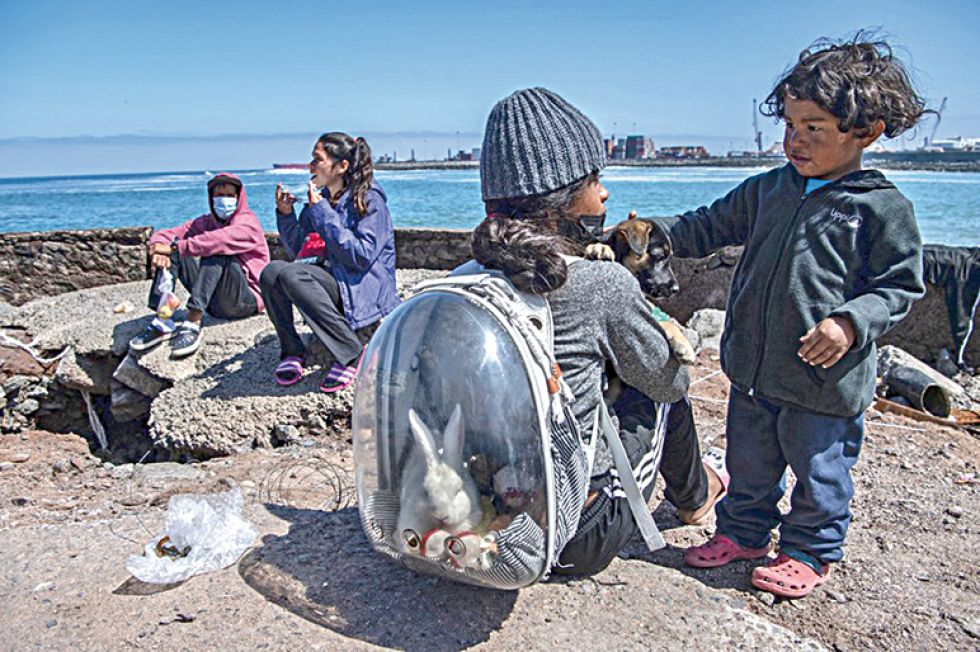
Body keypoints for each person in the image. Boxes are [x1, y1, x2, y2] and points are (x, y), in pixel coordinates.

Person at [671, 36, 928, 598]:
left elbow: (900, 286)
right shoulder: (768, 190)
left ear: (868, 130)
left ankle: (810, 551)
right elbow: (705, 226)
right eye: (790, 125)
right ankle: (742, 533)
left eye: (815, 128)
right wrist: (648, 237)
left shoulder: (880, 209)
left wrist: (850, 323)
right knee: (749, 461)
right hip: (754, 372)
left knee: (821, 473)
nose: (795, 140)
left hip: (824, 384)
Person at [471, 87, 725, 575]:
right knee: (661, 386)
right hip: (570, 540)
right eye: (594, 179)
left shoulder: (468, 276)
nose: (604, 193)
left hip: (476, 520)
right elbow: (672, 383)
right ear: (565, 199)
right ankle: (698, 497)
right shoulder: (598, 282)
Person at [261, 132, 399, 392]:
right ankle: (292, 350)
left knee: (293, 276)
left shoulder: (370, 201)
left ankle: (351, 352)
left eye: (317, 160)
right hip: (332, 280)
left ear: (342, 167)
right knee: (272, 272)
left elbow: (360, 256)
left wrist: (323, 212)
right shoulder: (322, 200)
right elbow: (299, 252)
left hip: (360, 287)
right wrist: (286, 215)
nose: (310, 166)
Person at [130, 172, 270, 358]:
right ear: (211, 198)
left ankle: (193, 321)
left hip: (244, 301)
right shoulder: (205, 222)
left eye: (230, 195)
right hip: (214, 302)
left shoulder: (247, 222)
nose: (224, 200)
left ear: (239, 198)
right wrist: (157, 249)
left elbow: (221, 240)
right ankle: (163, 317)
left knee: (214, 250)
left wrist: (174, 247)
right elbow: (171, 234)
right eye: (219, 195)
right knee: (175, 251)